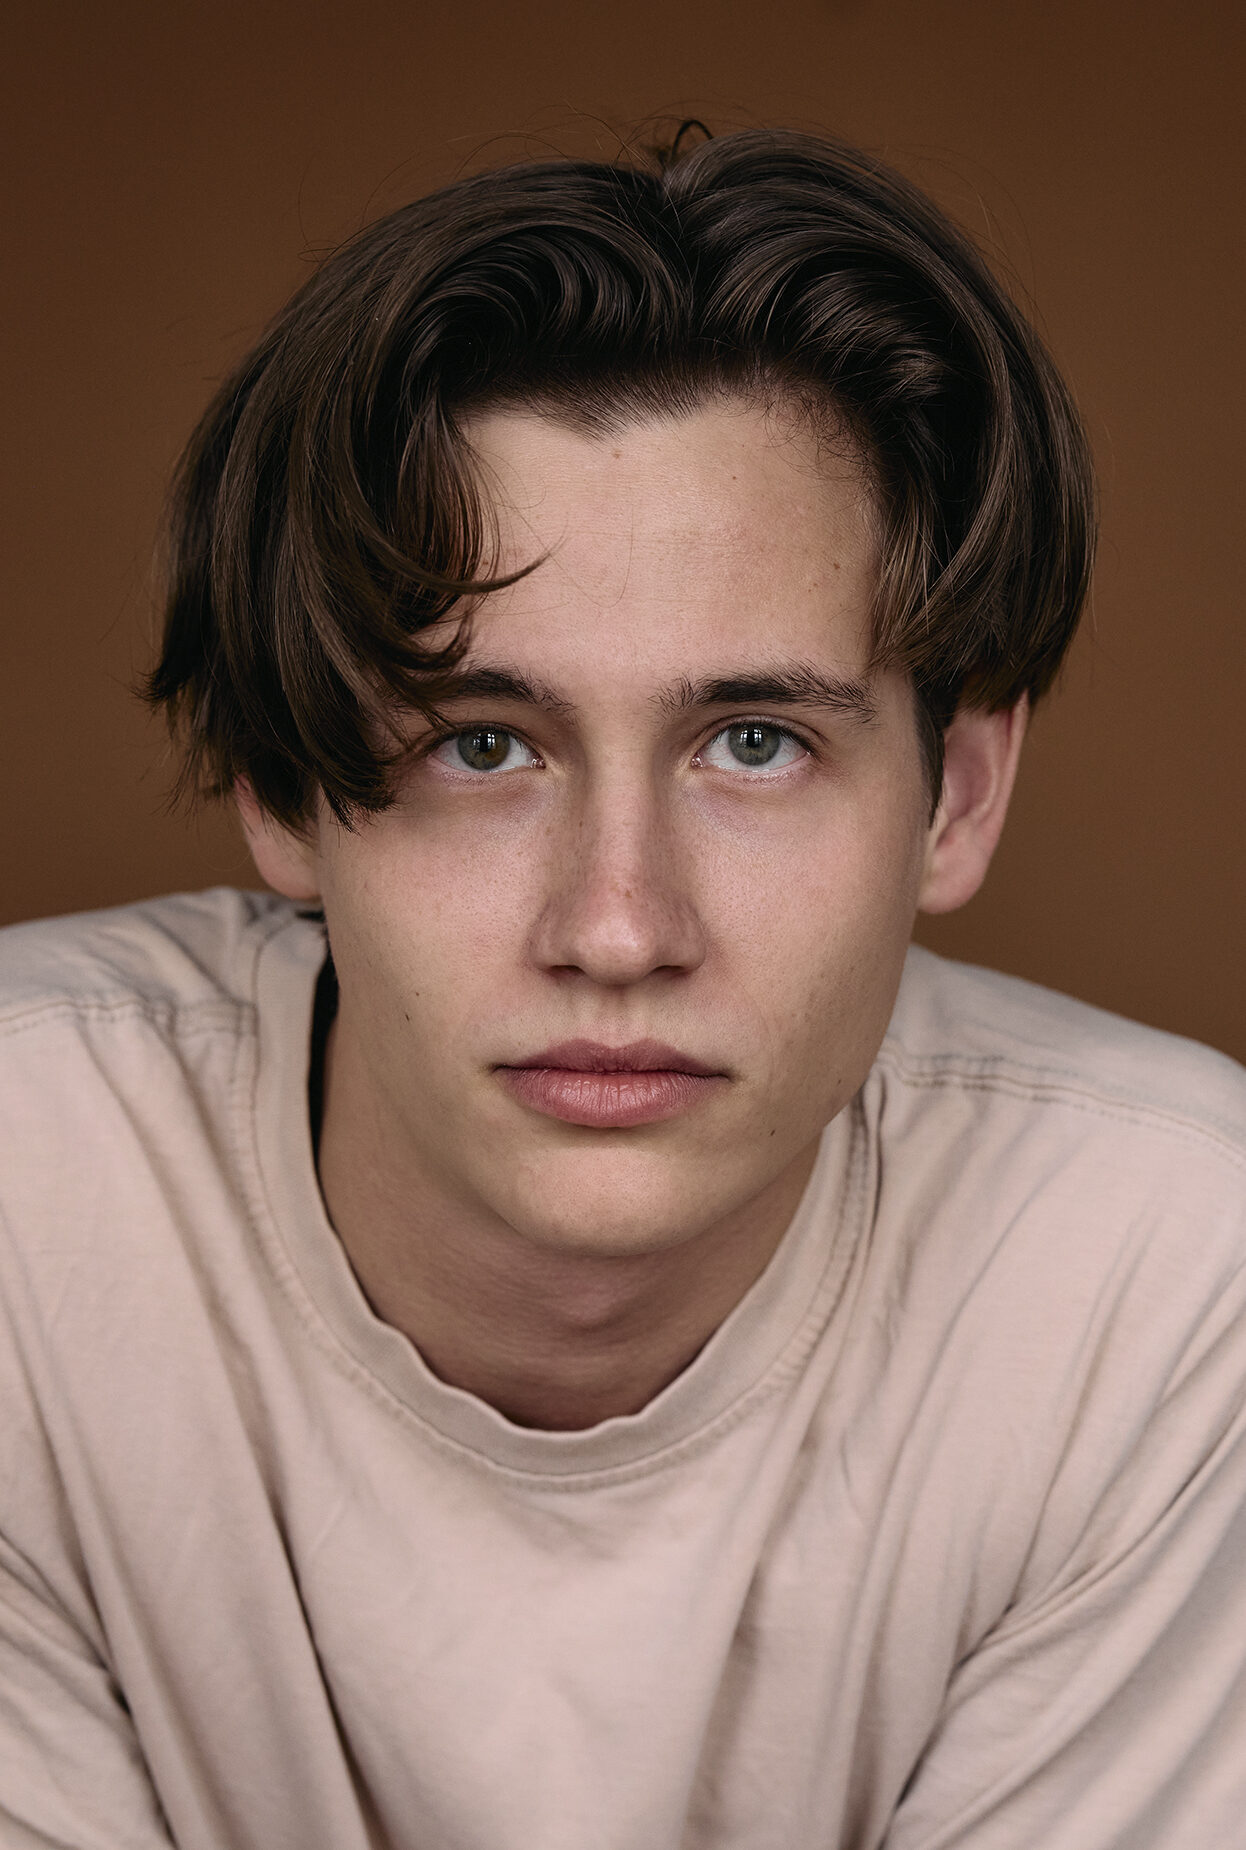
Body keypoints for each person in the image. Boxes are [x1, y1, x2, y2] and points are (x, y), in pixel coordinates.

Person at [2, 125, 1244, 1850]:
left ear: (955, 794)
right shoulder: (28, 1197)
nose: (615, 925)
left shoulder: (1168, 1273)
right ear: (284, 789)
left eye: (754, 742)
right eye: (481, 744)